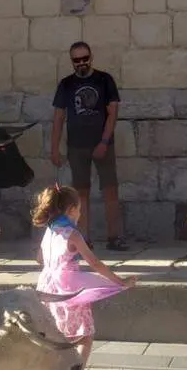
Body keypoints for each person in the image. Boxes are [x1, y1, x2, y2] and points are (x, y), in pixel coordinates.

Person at [32, 185, 134, 370]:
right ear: (70, 210)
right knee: (84, 335)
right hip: (69, 290)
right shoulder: (73, 234)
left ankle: (58, 369)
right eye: (79, 209)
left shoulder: (49, 231)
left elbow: (39, 259)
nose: (80, 213)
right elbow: (95, 263)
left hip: (48, 287)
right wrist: (120, 281)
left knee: (60, 334)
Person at [49, 41, 128, 251]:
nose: (82, 63)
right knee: (80, 193)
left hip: (103, 144)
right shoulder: (66, 84)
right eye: (77, 60)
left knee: (110, 190)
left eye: (85, 58)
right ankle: (83, 238)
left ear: (91, 57)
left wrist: (103, 141)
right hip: (77, 146)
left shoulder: (105, 80)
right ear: (72, 61)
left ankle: (114, 237)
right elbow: (58, 118)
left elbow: (113, 113)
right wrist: (54, 148)